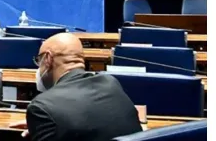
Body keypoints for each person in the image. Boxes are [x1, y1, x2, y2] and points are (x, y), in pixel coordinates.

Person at [13, 33, 142, 140]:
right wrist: (45, 127)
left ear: (48, 59)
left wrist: (46, 121)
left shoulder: (42, 106)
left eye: (38, 60)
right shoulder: (111, 83)